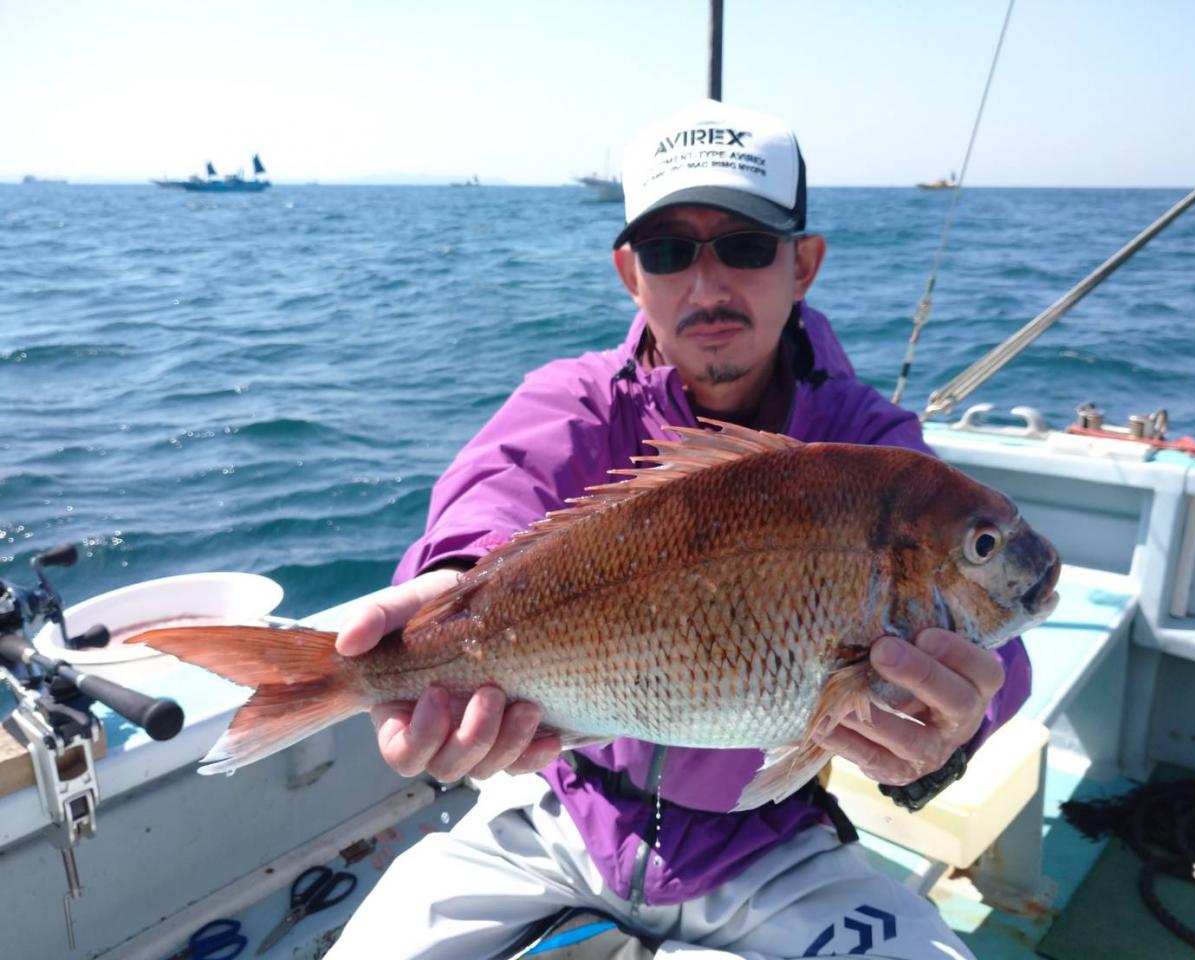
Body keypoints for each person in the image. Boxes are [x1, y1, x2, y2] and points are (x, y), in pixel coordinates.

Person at [327, 99, 1030, 960]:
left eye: (745, 245)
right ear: (631, 273)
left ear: (804, 264)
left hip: (770, 842)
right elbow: (495, 489)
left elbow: (995, 648)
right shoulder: (574, 401)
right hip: (556, 805)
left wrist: (957, 726)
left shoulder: (877, 455)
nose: (707, 286)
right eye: (668, 251)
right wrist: (455, 583)